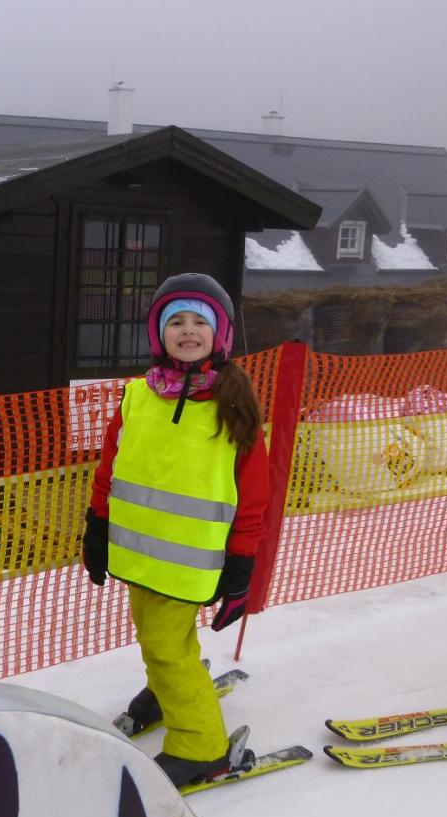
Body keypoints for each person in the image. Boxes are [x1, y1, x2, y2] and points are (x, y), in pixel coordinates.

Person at [82, 273, 269, 788]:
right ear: (157, 333)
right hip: (138, 552)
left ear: (220, 334)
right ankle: (167, 692)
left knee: (167, 647)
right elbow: (111, 466)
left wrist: (242, 560)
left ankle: (201, 746)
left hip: (191, 562)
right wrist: (97, 524)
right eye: (176, 322)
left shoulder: (232, 404)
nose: (188, 331)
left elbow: (253, 495)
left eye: (200, 322)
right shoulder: (137, 396)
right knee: (156, 638)